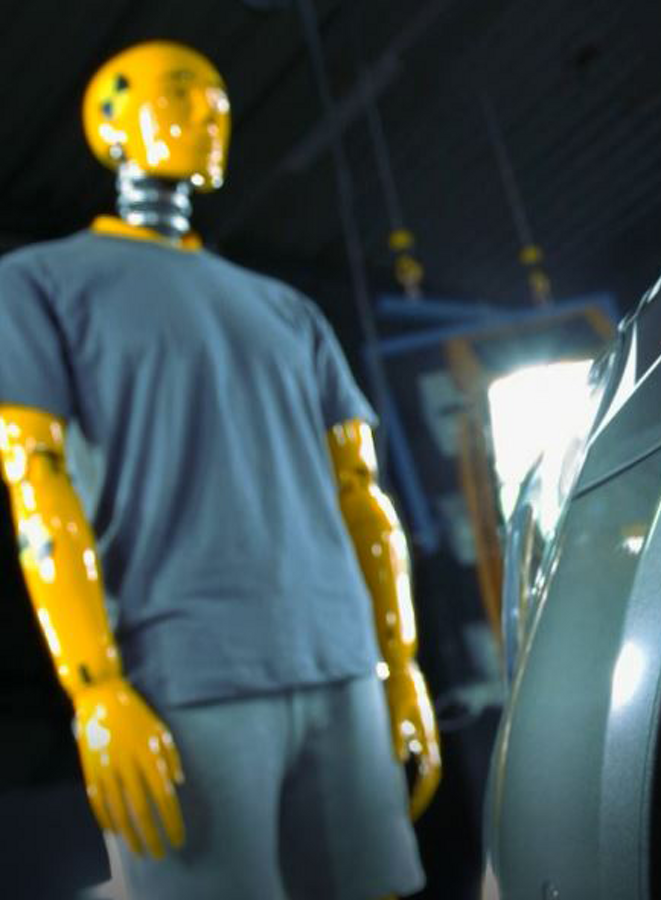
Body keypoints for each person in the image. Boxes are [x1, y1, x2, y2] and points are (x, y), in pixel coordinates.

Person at [0, 40, 440, 900]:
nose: (210, 116)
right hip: (185, 683)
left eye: (220, 105)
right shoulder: (37, 283)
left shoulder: (290, 309)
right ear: (110, 118)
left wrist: (400, 668)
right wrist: (95, 690)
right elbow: (35, 482)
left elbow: (364, 498)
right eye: (181, 94)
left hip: (344, 668)